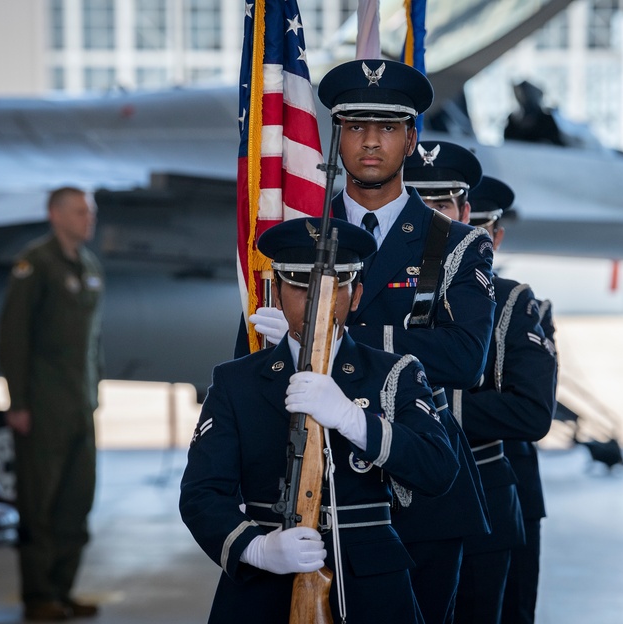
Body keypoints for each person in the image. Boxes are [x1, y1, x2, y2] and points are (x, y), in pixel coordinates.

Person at [250, 59, 495, 624]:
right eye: (357, 127)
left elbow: (465, 359)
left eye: (386, 128)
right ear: (338, 137)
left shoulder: (457, 245)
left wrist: (325, 334)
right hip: (321, 482)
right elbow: (256, 362)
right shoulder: (297, 238)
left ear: (410, 139)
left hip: (422, 490)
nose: (370, 142)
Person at [181, 217, 458, 623]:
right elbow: (202, 494)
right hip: (264, 581)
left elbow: (438, 470)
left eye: (334, 288)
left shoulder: (395, 372)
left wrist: (355, 420)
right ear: (276, 291)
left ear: (357, 293)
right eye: (299, 286)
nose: (316, 301)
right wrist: (255, 548)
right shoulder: (236, 381)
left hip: (371, 582)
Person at [409, 168, 556, 624]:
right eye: (424, 207)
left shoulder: (511, 303)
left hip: (485, 499)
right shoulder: (381, 294)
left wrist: (426, 406)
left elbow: (531, 413)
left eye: (448, 209)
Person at [0, 187, 103, 622]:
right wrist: (17, 402)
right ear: (55, 215)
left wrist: (93, 393)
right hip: (41, 407)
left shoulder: (89, 266)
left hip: (79, 405)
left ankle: (61, 590)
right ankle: (39, 595)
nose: (88, 219)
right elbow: (13, 335)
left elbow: (92, 343)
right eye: (79, 212)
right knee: (39, 506)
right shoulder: (35, 264)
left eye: (90, 212)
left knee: (76, 502)